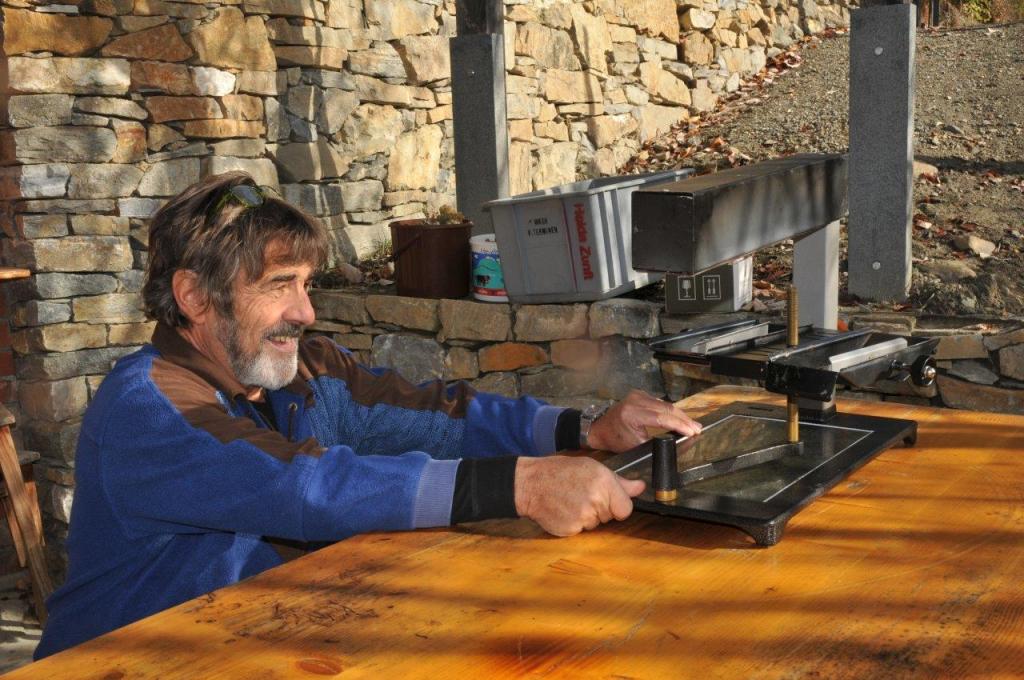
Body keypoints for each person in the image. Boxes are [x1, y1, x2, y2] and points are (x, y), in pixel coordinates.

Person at [35, 172, 701, 658]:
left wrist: (582, 428)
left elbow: (435, 413)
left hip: (262, 647)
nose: (305, 312)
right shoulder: (146, 409)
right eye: (279, 286)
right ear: (194, 297)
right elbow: (305, 486)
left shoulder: (309, 368)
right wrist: (520, 485)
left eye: (306, 284)